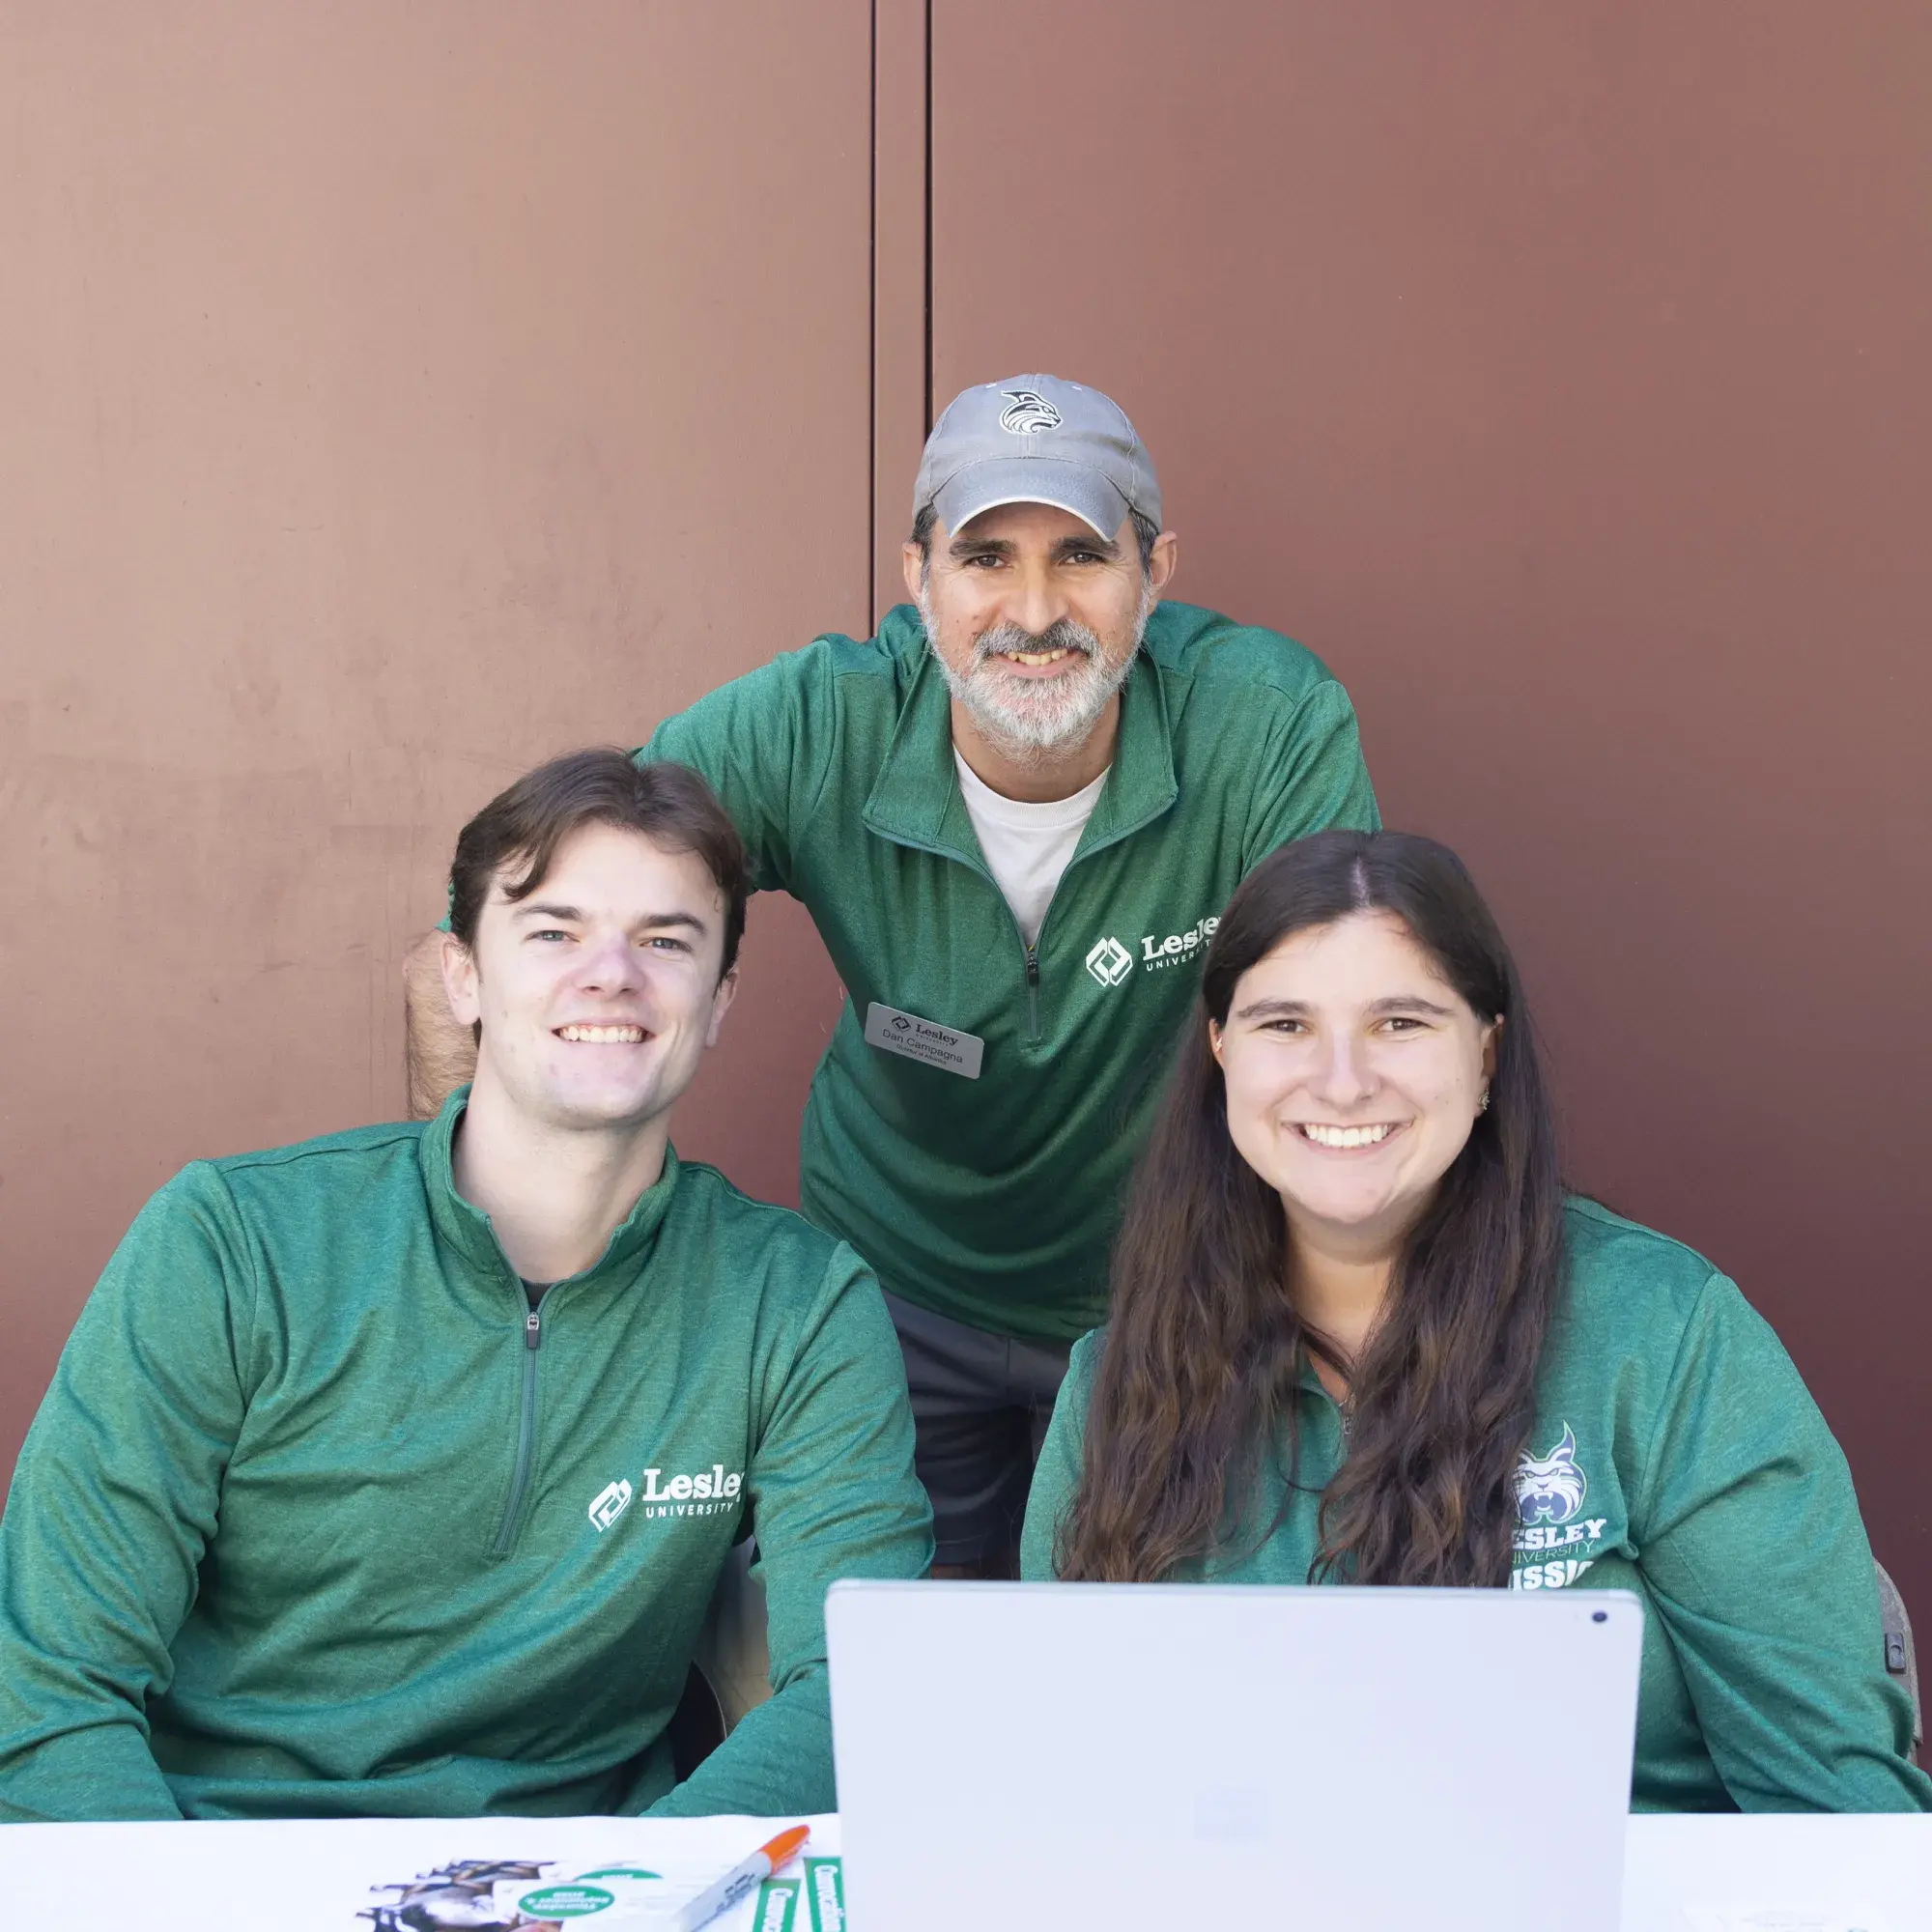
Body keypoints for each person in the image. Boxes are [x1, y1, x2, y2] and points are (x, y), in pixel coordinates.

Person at [405, 373, 1379, 1573]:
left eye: (1079, 554)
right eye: (983, 558)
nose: (1032, 609)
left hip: (1172, 1291)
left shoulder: (1263, 720)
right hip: (900, 1284)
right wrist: (480, 1270)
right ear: (915, 578)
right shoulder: (820, 723)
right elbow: (491, 945)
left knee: (1143, 1697)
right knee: (894, 1682)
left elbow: (1343, 1026)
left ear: (1155, 571)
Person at [0, 750, 932, 1823]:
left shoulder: (799, 1304)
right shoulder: (228, 1243)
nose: (611, 974)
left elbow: (855, 1698)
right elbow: (50, 1682)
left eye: (665, 941)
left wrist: (628, 1900)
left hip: (583, 1892)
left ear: (718, 998)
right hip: (225, 1869)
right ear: (462, 975)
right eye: (553, 931)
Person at [1020, 828, 1929, 1812]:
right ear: (1218, 1051)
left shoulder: (1663, 1338)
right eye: (1283, 1023)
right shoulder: (1116, 1379)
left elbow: (1839, 1817)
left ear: (1485, 1052)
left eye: (1398, 1022)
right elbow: (1061, 1798)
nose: (1339, 1080)